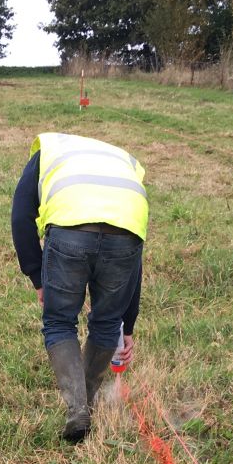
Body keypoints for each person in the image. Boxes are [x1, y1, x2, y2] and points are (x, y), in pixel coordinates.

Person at [11, 131, 148, 443]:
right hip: (127, 232)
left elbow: (21, 218)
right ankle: (87, 402)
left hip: (70, 230)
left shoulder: (47, 153)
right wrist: (127, 324)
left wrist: (37, 276)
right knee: (106, 322)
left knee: (59, 322)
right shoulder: (122, 161)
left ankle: (78, 409)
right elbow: (135, 259)